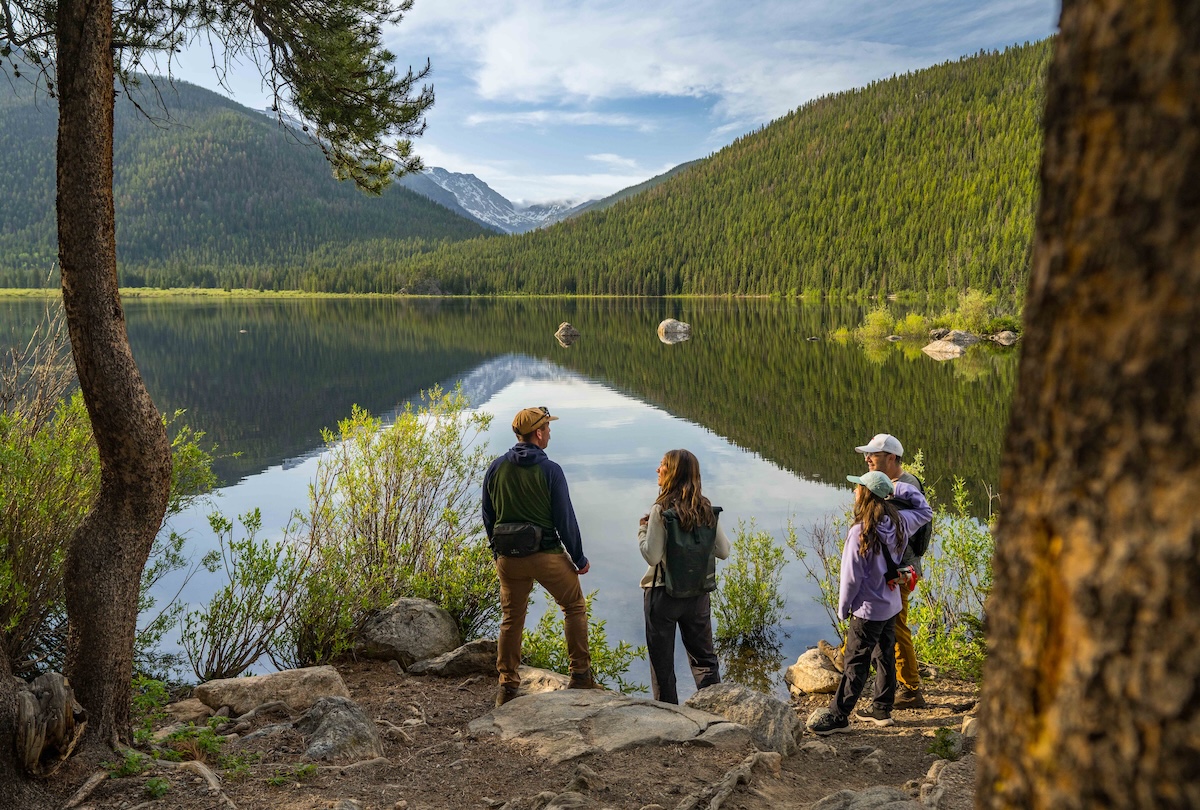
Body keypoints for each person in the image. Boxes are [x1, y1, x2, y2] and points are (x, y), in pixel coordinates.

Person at [482, 406, 598, 707]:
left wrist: (497, 553)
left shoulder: (496, 468)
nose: (550, 432)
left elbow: (488, 515)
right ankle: (581, 675)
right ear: (538, 433)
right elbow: (565, 520)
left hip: (509, 559)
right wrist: (579, 558)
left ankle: (507, 685)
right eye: (547, 428)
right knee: (573, 606)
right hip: (546, 555)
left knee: (511, 618)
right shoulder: (550, 471)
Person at [808, 470, 932, 735]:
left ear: (865, 494)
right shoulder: (901, 522)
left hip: (867, 610)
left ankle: (838, 716)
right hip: (891, 605)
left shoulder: (859, 532)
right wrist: (897, 490)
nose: (854, 491)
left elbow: (851, 578)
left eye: (858, 487)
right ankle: (881, 710)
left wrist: (844, 608)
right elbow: (925, 510)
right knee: (885, 655)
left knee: (856, 662)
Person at [638, 449, 731, 704]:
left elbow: (652, 556)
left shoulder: (661, 509)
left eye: (662, 466)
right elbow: (723, 551)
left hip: (662, 594)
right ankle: (715, 710)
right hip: (697, 594)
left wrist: (642, 531)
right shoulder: (706, 507)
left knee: (663, 665)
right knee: (705, 660)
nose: (658, 470)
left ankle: (670, 721)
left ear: (673, 473)